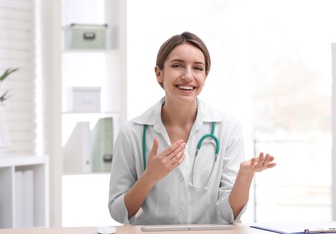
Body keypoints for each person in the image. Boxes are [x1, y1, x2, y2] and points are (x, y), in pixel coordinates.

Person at [108, 31, 276, 225]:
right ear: (159, 73)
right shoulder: (132, 132)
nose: (188, 76)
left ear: (205, 76)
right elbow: (118, 211)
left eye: (197, 68)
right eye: (177, 65)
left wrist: (245, 176)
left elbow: (230, 214)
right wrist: (150, 176)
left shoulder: (227, 128)